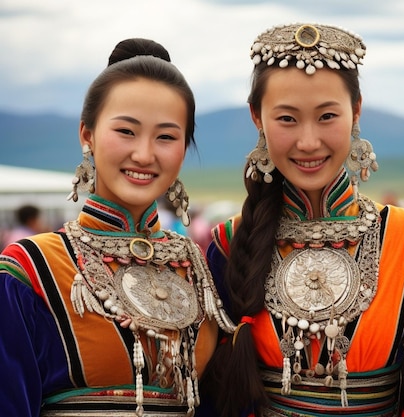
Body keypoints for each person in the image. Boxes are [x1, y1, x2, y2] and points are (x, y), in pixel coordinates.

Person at [201, 23, 404, 417]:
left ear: (356, 111)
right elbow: (217, 396)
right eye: (287, 119)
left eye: (326, 116)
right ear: (257, 118)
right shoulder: (231, 243)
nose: (308, 142)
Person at [0, 38, 232, 417]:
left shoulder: (200, 270)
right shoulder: (31, 271)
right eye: (126, 131)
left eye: (166, 137)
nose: (144, 154)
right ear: (86, 135)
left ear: (184, 148)